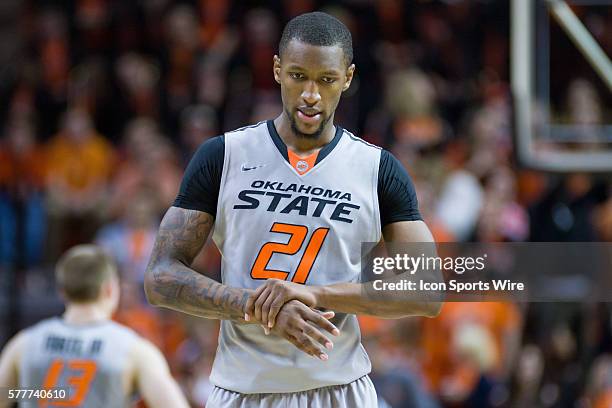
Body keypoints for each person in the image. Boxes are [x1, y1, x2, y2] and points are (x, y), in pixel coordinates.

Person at [144, 11, 440, 408]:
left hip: (341, 390)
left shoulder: (379, 170)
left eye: (327, 80)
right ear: (278, 69)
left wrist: (315, 294)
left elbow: (428, 290)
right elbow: (160, 276)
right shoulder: (223, 156)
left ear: (348, 78)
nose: (311, 95)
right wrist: (260, 309)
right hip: (242, 391)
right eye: (299, 76)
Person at [0, 245, 189, 408]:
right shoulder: (134, 350)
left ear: (62, 291)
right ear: (109, 289)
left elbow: (7, 394)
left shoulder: (25, 343)